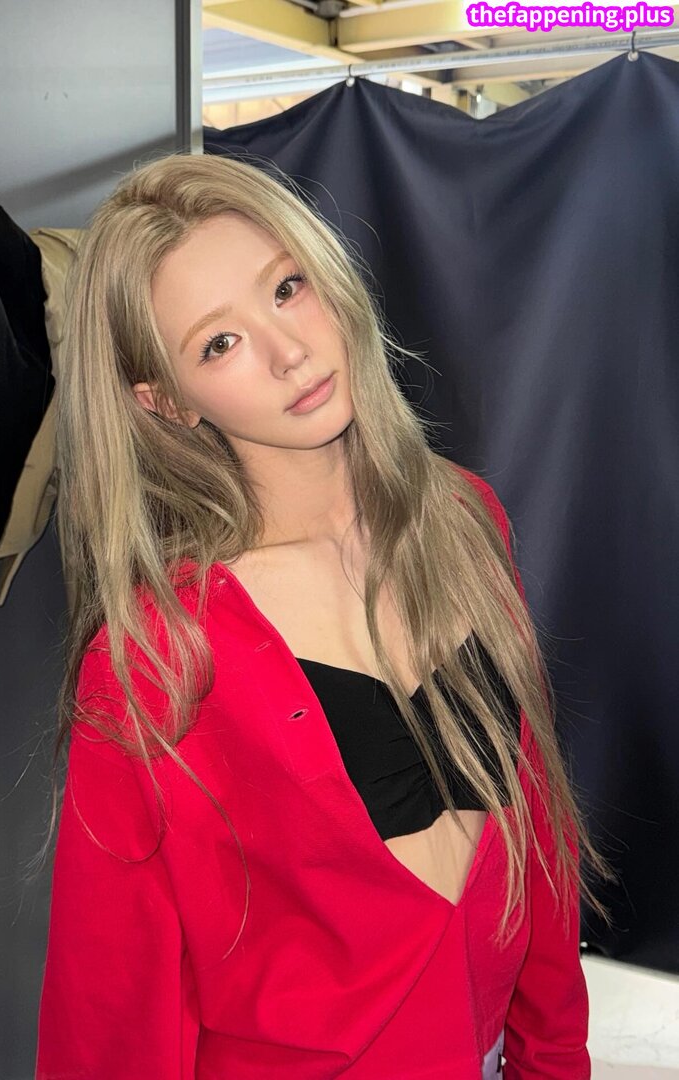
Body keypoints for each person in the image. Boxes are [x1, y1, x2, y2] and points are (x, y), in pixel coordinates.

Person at [35, 151, 613, 1079]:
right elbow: (112, 1006)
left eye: (286, 288)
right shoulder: (156, 658)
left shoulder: (463, 521)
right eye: (219, 344)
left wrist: (555, 1056)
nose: (290, 352)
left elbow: (536, 821)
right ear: (165, 404)